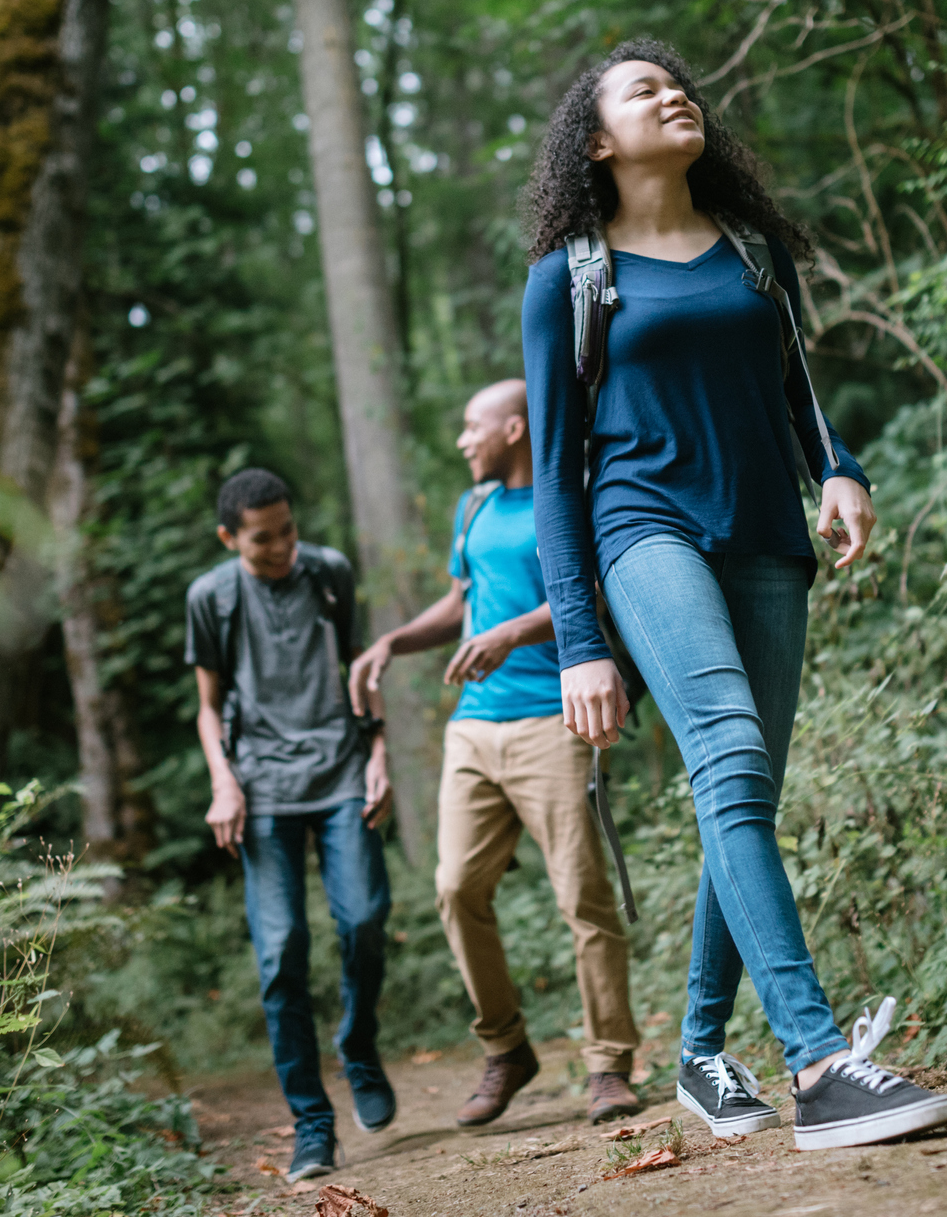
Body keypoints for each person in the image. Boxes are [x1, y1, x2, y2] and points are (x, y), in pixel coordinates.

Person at [519, 38, 947, 1151]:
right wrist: (581, 640)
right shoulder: (572, 277)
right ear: (599, 141)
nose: (673, 93)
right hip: (642, 528)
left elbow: (797, 391)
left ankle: (702, 1053)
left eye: (678, 83)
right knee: (725, 749)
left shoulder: (756, 253)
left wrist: (842, 469)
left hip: (766, 532)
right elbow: (557, 475)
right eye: (640, 90)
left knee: (744, 792)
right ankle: (818, 1066)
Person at [349, 380, 644, 1130]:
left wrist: (510, 632)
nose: (461, 440)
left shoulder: (568, 497)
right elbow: (460, 603)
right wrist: (393, 641)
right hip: (474, 729)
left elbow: (594, 594)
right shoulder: (472, 506)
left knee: (581, 893)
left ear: (514, 428)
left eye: (470, 427)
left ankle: (609, 1065)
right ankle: (507, 1048)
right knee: (454, 887)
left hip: (555, 718)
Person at [187, 467, 397, 1183]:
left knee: (365, 918)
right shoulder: (211, 598)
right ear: (228, 538)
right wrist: (223, 782)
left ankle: (359, 1048)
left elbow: (359, 672)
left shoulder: (329, 573)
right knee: (281, 954)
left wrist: (379, 753)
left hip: (340, 772)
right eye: (262, 540)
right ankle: (312, 1124)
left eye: (288, 531)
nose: (282, 548)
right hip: (261, 790)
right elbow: (208, 707)